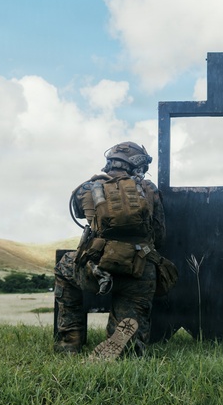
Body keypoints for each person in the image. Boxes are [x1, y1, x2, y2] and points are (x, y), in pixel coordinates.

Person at [54, 141, 167, 360]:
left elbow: (81, 214)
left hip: (95, 269)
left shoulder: (86, 188)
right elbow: (160, 237)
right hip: (138, 270)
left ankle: (70, 340)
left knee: (64, 267)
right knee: (128, 343)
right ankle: (125, 344)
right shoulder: (150, 190)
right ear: (138, 165)